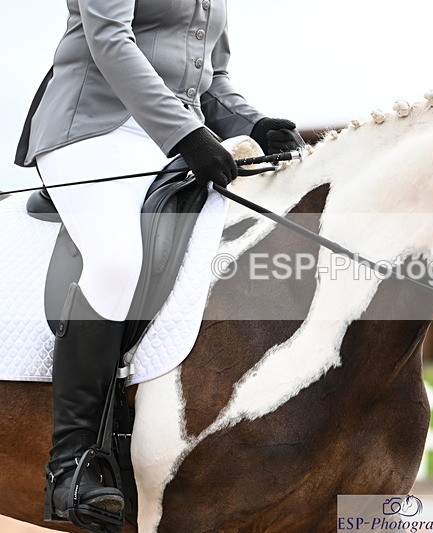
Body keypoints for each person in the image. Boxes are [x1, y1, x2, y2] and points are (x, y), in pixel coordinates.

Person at [15, 0, 303, 524]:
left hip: (172, 139)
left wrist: (255, 123)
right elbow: (108, 39)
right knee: (117, 260)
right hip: (93, 130)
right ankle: (72, 463)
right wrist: (188, 135)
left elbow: (210, 78)